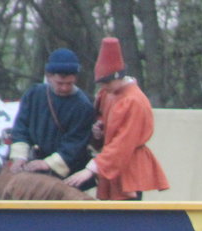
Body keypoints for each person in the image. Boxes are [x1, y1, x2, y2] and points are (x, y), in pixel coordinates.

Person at [64, 37, 167, 199]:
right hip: (110, 163)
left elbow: (124, 142)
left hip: (127, 166)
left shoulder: (133, 101)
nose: (103, 88)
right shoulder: (107, 93)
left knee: (127, 219)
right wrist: (98, 129)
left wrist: (92, 168)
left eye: (107, 83)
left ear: (118, 77)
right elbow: (103, 119)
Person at [8, 48, 95, 181]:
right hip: (33, 162)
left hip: (69, 171)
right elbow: (21, 127)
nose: (65, 88)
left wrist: (48, 164)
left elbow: (75, 144)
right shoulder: (33, 94)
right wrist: (20, 157)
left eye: (69, 83)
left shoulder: (83, 106)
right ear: (49, 77)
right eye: (60, 83)